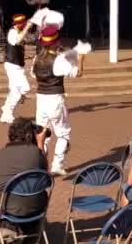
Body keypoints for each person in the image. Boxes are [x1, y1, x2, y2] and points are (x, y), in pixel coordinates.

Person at [32, 26, 91, 176]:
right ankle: (57, 165)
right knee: (63, 133)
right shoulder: (58, 61)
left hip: (41, 99)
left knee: (42, 133)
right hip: (55, 99)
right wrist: (82, 58)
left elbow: (33, 74)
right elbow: (78, 73)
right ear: (55, 43)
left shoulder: (36, 58)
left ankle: (39, 163)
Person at [0, 118, 49, 235]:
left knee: (4, 195)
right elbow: (46, 179)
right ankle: (35, 230)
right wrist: (40, 143)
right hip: (38, 206)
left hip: (10, 208)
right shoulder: (36, 152)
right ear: (30, 135)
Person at [0, 14, 34, 124]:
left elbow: (30, 38)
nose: (23, 25)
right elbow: (18, 41)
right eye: (22, 24)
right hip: (12, 65)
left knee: (21, 89)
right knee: (19, 90)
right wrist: (27, 28)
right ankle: (7, 113)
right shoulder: (12, 32)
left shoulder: (20, 32)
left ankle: (6, 108)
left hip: (18, 65)